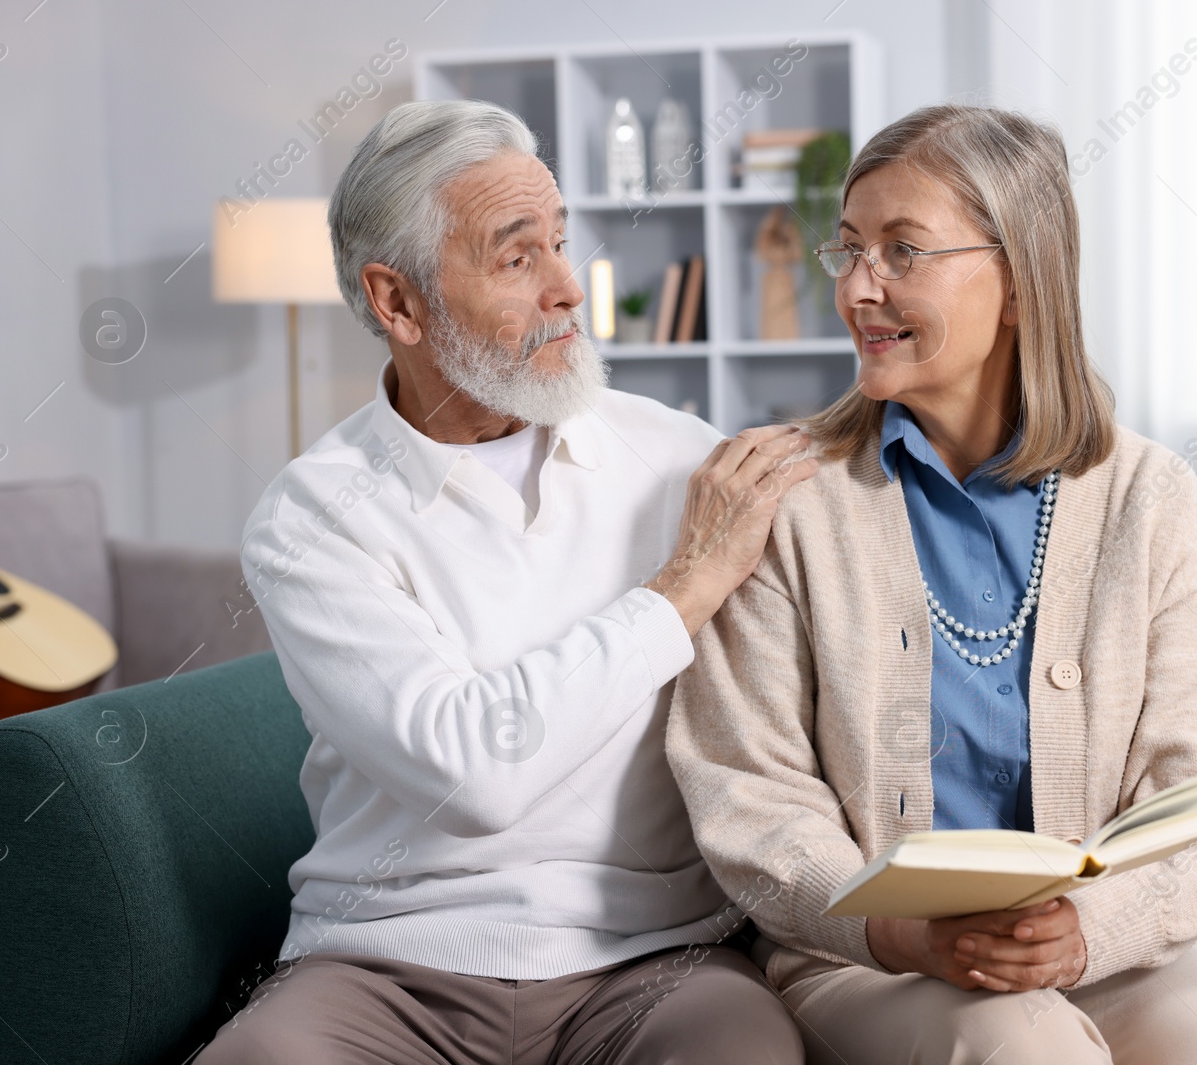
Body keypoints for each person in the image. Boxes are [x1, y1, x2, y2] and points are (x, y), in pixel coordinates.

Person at [666, 104, 1197, 1063]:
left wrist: (1090, 926)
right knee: (1023, 1048)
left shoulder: (1150, 496)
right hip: (868, 963)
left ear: (1019, 284)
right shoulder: (787, 498)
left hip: (1123, 952)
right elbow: (747, 795)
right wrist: (897, 931)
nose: (858, 290)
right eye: (848, 251)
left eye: (902, 251)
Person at [198, 99, 813, 1065]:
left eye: (563, 243)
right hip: (387, 966)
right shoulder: (311, 515)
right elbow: (474, 774)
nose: (570, 286)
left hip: (653, 961)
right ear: (396, 302)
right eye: (518, 256)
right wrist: (680, 590)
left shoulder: (680, 459)